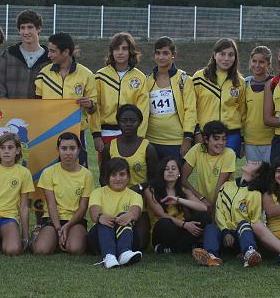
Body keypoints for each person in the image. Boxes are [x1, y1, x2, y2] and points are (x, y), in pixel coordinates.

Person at [100, 104, 158, 251]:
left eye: (132, 120)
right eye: (124, 120)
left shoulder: (148, 148)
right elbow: (102, 177)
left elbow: (155, 179)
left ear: (139, 122)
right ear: (118, 122)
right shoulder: (109, 148)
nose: (128, 124)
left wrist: (137, 188)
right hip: (114, 202)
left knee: (139, 245)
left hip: (138, 203)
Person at [192, 160, 270, 267]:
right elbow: (219, 210)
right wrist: (225, 232)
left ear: (257, 174)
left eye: (255, 163)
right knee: (211, 227)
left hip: (242, 237)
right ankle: (211, 256)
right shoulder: (227, 185)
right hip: (224, 236)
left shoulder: (255, 194)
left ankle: (250, 253)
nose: (250, 161)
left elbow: (255, 220)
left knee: (244, 223)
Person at [35, 32, 97, 166]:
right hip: (49, 133)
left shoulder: (87, 75)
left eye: (53, 51)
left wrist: (90, 104)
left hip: (76, 133)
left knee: (78, 173)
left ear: (66, 52)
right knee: (50, 174)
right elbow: (37, 105)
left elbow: (93, 110)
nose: (48, 55)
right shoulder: (44, 73)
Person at [31, 132, 94, 255]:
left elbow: (83, 208)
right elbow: (51, 205)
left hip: (75, 220)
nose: (68, 153)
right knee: (41, 250)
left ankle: (71, 237)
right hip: (53, 219)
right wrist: (59, 229)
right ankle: (37, 238)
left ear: (79, 150)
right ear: (58, 150)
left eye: (72, 148)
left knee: (75, 249)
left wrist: (68, 226)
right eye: (64, 148)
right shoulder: (49, 172)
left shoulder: (87, 175)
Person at [92, 32, 148, 155]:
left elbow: (143, 111)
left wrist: (140, 137)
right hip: (106, 134)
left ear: (131, 51)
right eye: (116, 49)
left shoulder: (140, 78)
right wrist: (96, 134)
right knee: (107, 173)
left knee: (129, 173)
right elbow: (95, 107)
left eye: (124, 48)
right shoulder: (100, 76)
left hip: (131, 135)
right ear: (111, 52)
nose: (120, 52)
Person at [145, 36, 196, 161]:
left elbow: (191, 110)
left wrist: (187, 139)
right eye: (158, 53)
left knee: (174, 179)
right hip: (151, 140)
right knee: (154, 179)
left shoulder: (184, 80)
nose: (161, 57)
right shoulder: (147, 80)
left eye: (165, 53)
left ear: (174, 55)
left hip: (176, 142)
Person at [145, 157, 209, 254]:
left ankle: (174, 249)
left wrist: (178, 200)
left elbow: (203, 208)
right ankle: (183, 246)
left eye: (173, 168)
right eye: (166, 169)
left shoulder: (183, 190)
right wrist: (185, 225)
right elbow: (161, 214)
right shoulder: (151, 190)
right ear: (161, 172)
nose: (170, 171)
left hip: (181, 229)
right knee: (166, 222)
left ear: (179, 173)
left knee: (205, 216)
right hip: (162, 230)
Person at [192, 38, 245, 156]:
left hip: (232, 136)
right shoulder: (199, 77)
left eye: (231, 55)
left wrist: (243, 140)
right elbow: (191, 108)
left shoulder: (240, 82)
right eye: (222, 54)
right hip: (206, 135)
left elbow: (243, 112)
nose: (226, 58)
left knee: (226, 173)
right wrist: (196, 133)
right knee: (206, 173)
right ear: (214, 55)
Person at [87, 157, 143, 268]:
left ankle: (124, 253)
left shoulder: (135, 195)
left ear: (128, 176)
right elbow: (94, 214)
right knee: (104, 219)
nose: (118, 179)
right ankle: (109, 256)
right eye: (113, 175)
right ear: (107, 177)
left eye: (122, 174)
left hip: (127, 238)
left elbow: (135, 212)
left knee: (124, 215)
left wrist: (129, 215)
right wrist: (100, 217)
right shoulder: (97, 192)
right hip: (99, 239)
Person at [0, 9, 50, 99]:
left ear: (39, 29)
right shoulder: (8, 55)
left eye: (30, 27)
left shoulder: (49, 58)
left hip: (40, 112)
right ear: (19, 30)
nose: (26, 32)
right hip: (12, 111)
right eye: (23, 28)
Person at [181, 120, 235, 209]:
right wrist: (200, 197)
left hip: (223, 203)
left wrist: (212, 210)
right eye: (216, 138)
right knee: (187, 193)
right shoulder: (197, 149)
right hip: (202, 203)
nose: (221, 143)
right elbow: (182, 179)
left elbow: (219, 188)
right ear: (206, 139)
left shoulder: (229, 154)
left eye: (224, 139)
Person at [243, 46, 274, 162]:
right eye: (254, 61)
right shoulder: (245, 83)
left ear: (268, 64)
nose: (257, 65)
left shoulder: (274, 83)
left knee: (269, 176)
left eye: (261, 62)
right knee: (253, 177)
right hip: (250, 140)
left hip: (270, 140)